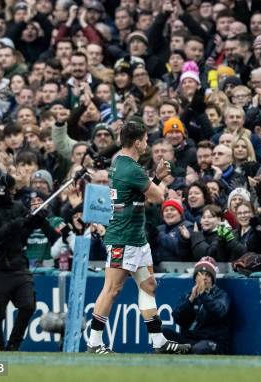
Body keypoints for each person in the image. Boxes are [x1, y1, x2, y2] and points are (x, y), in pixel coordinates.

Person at [86, 119, 190, 354]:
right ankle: (93, 343)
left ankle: (159, 342)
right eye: (145, 140)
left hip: (136, 239)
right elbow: (158, 197)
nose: (147, 144)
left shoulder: (121, 164)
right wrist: (160, 178)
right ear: (136, 142)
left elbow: (139, 197)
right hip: (123, 240)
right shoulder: (130, 168)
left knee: (149, 285)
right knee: (112, 289)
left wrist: (154, 179)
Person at [0, 172, 58, 351]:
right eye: (10, 190)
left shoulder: (17, 206)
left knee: (28, 305)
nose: (13, 193)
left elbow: (28, 223)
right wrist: (14, 225)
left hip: (18, 265)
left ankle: (13, 344)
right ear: (2, 190)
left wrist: (39, 216)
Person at [162, 256, 231, 354]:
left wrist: (204, 295)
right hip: (189, 340)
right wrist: (191, 299)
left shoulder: (221, 295)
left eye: (207, 275)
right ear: (195, 279)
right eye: (200, 274)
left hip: (211, 341)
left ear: (213, 279)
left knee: (200, 348)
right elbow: (177, 317)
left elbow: (219, 312)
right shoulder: (189, 295)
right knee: (162, 334)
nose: (204, 278)